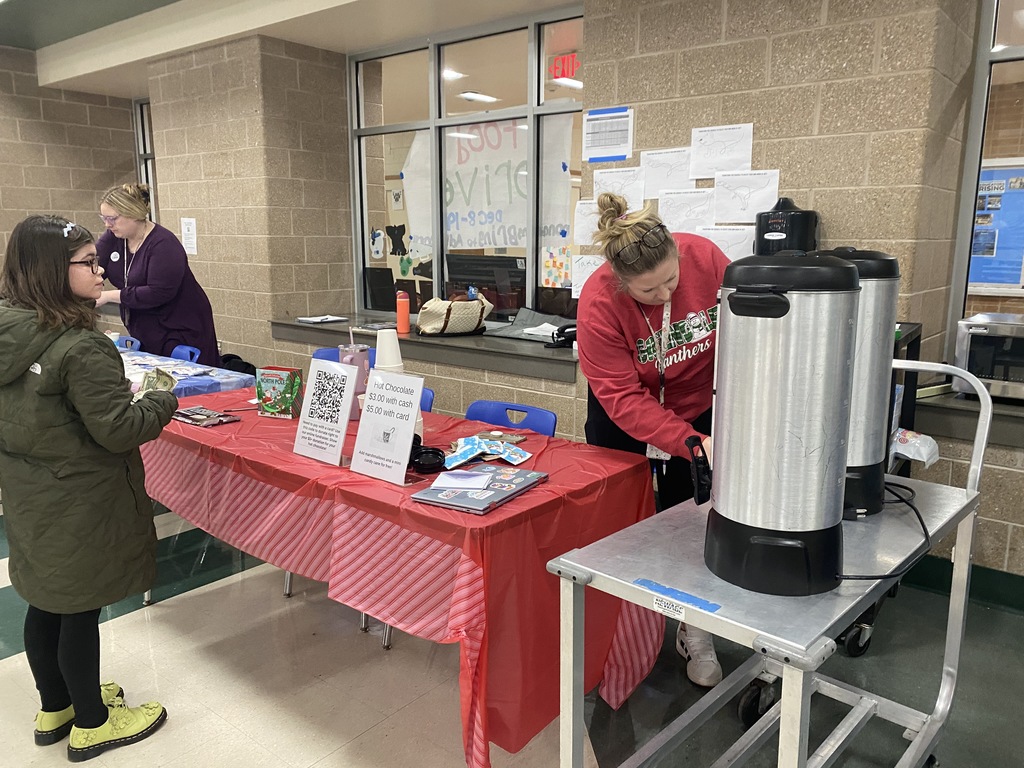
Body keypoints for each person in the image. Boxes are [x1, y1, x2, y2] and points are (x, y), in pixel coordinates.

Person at [0, 215, 178, 762]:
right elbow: (120, 428)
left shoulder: (12, 331)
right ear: (54, 271)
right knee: (78, 609)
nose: (101, 270)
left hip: (31, 494)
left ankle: (57, 705)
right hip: (80, 498)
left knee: (44, 600)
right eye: (88, 262)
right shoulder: (79, 346)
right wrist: (160, 398)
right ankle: (94, 723)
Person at [576, 192, 730, 688]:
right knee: (621, 528)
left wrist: (698, 437)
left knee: (694, 523)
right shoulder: (598, 302)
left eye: (672, 280)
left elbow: (752, 327)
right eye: (649, 291)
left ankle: (694, 631)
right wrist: (683, 440)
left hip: (696, 406)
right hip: (621, 418)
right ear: (620, 283)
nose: (666, 295)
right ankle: (616, 635)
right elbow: (621, 398)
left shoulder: (704, 257)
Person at [94, 183, 221, 366]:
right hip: (145, 327)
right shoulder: (113, 237)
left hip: (178, 328)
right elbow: (93, 264)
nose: (107, 224)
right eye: (103, 218)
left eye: (112, 218)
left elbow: (158, 292)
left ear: (133, 213)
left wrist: (108, 296)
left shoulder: (163, 244)